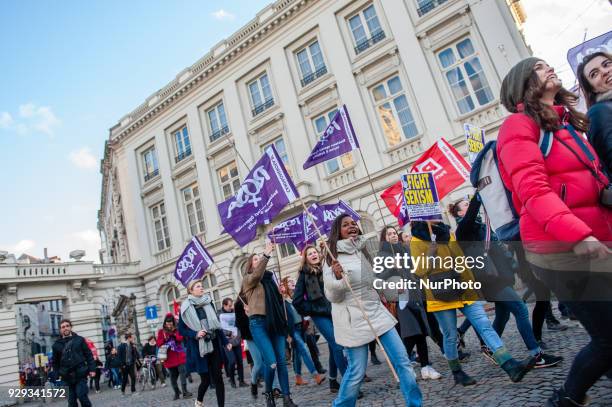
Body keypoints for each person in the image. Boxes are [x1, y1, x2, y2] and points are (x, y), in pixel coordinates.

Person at [497, 57, 612, 406]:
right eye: (539, 67)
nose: (548, 69)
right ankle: (567, 398)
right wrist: (576, 234)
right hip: (562, 250)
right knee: (609, 339)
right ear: (523, 83)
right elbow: (532, 191)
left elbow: (590, 182)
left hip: (595, 241)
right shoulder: (518, 125)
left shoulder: (564, 124)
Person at [410, 220, 535, 386]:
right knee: (450, 335)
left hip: (463, 289)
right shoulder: (416, 240)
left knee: (484, 325)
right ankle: (457, 372)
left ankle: (509, 365)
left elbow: (461, 261)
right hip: (440, 294)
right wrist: (431, 252)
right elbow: (419, 271)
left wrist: (472, 287)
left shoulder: (446, 233)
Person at [451, 196, 563, 369]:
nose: (469, 205)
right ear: (459, 213)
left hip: (502, 277)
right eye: (465, 205)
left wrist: (514, 268)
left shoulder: (483, 227)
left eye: (469, 202)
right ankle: (536, 355)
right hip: (490, 281)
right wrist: (477, 197)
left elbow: (499, 251)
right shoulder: (463, 230)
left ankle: (490, 346)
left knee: (502, 315)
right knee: (520, 309)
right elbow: (471, 215)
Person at [323, 214, 422, 407]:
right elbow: (333, 297)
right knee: (357, 372)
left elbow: (375, 283)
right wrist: (338, 279)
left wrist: (395, 287)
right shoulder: (331, 256)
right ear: (338, 231)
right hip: (353, 320)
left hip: (376, 314)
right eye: (345, 225)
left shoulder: (363, 251)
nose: (351, 226)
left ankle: (414, 404)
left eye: (353, 224)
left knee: (403, 362)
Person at [377, 225, 442, 380]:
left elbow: (417, 268)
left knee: (421, 332)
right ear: (384, 238)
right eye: (389, 234)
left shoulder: (405, 249)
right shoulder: (382, 255)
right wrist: (392, 269)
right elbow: (379, 279)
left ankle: (426, 367)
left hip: (415, 294)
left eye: (394, 233)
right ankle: (402, 366)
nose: (393, 236)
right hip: (400, 299)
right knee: (411, 333)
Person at [241, 241, 298, 407]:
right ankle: (268, 393)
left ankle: (287, 398)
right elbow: (257, 275)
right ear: (250, 265)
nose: (259, 260)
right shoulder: (249, 279)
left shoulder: (270, 279)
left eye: (261, 258)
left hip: (275, 323)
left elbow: (279, 304)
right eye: (256, 259)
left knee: (281, 362)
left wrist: (280, 293)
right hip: (258, 324)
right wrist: (266, 254)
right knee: (271, 362)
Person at [292, 244, 348, 394]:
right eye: (309, 254)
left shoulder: (326, 268)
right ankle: (349, 385)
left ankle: (332, 381)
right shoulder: (304, 274)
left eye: (314, 252)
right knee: (337, 345)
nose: (313, 255)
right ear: (306, 259)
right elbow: (297, 300)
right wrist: (312, 310)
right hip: (319, 314)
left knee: (332, 346)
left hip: (334, 310)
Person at [179, 279, 229, 407]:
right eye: (198, 286)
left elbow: (216, 324)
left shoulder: (208, 302)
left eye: (202, 286)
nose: (202, 288)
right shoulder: (185, 307)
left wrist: (225, 341)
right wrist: (195, 334)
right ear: (191, 290)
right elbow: (181, 330)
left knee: (218, 378)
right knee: (206, 380)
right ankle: (199, 401)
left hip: (214, 343)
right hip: (198, 347)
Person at [280, 276, 326, 386]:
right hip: (292, 330)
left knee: (297, 353)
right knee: (304, 349)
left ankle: (298, 377)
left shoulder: (296, 297)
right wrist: (287, 335)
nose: (293, 282)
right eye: (290, 281)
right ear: (285, 286)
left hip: (302, 327)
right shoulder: (282, 300)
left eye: (293, 281)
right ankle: (316, 375)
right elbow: (282, 319)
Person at [578, 51, 612, 176]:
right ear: (592, 88)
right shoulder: (598, 113)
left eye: (607, 64)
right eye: (594, 74)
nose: (604, 71)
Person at [52, 319, 96, 407]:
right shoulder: (56, 345)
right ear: (60, 330)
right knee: (71, 402)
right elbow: (55, 362)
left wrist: (92, 369)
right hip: (66, 377)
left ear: (71, 327)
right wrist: (57, 374)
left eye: (67, 326)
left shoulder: (80, 340)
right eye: (63, 327)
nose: (65, 328)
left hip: (80, 373)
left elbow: (88, 355)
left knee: (82, 396)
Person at [157, 313, 192, 400]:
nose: (169, 325)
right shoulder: (161, 332)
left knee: (183, 373)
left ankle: (184, 391)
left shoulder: (177, 329)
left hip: (179, 355)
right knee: (173, 376)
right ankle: (176, 392)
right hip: (169, 358)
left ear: (173, 322)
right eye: (167, 323)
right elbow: (158, 343)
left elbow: (181, 338)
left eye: (170, 323)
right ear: (165, 323)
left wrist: (175, 335)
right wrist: (165, 339)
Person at [219, 297, 248, 389]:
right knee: (231, 362)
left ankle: (241, 381)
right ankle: (232, 380)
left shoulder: (235, 312)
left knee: (240, 361)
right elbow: (219, 329)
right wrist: (228, 333)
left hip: (236, 340)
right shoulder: (219, 314)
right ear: (224, 305)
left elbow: (238, 326)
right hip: (227, 342)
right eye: (229, 306)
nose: (231, 307)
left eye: (232, 305)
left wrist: (238, 338)